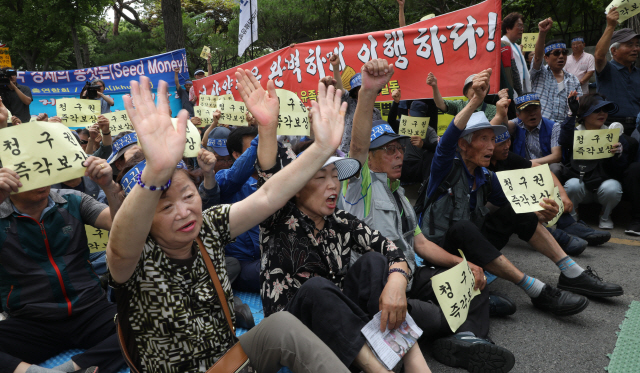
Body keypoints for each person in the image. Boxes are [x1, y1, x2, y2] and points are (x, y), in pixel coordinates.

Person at [106, 74, 352, 373]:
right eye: (166, 206)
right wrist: (155, 173)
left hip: (231, 361)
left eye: (187, 195)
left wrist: (321, 148)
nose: (184, 211)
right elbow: (119, 249)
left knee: (283, 326)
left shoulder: (208, 226)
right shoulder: (133, 258)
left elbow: (269, 196)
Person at [237, 65, 435, 373]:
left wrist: (397, 280)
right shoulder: (280, 217)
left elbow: (391, 251)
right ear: (297, 187)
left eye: (336, 176)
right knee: (317, 289)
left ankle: (416, 366)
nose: (333, 185)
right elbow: (268, 172)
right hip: (298, 332)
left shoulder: (341, 221)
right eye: (320, 177)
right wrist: (267, 129)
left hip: (342, 327)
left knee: (373, 264)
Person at [342, 59, 516, 373]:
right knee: (435, 315)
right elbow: (356, 144)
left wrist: (465, 265)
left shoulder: (398, 193)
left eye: (399, 148)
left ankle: (467, 340)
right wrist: (367, 93)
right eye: (387, 151)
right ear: (369, 158)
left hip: (411, 274)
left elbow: (420, 245)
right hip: (381, 285)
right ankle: (439, 327)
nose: (398, 156)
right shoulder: (359, 186)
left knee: (471, 282)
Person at [421, 69, 623, 316]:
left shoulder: (486, 176)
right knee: (463, 229)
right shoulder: (445, 166)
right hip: (440, 252)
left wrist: (541, 212)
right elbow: (447, 140)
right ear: (463, 145)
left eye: (492, 140)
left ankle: (572, 272)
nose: (490, 146)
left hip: (472, 246)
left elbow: (516, 203)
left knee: (519, 213)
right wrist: (476, 100)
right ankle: (536, 289)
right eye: (482, 139)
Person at [0, 157, 126, 373]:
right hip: (31, 322)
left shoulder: (73, 201)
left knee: (148, 321)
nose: (40, 179)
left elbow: (122, 225)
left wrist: (109, 186)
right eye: (28, 172)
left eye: (43, 168)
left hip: (91, 310)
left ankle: (76, 367)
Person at [490, 98, 612, 250]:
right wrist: (500, 113)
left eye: (508, 142)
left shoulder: (508, 154)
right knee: (519, 208)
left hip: (514, 195)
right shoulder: (482, 160)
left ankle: (569, 224)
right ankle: (554, 237)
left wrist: (563, 195)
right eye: (501, 144)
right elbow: (489, 129)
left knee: (542, 177)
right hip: (491, 207)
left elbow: (538, 167)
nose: (507, 146)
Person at [558, 94, 629, 229]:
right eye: (596, 110)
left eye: (605, 110)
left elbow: (621, 168)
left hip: (603, 187)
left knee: (613, 188)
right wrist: (571, 114)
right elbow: (564, 139)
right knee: (572, 185)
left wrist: (618, 155)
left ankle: (605, 215)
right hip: (581, 186)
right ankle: (573, 215)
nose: (602, 113)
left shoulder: (613, 134)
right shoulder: (575, 132)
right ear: (584, 114)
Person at [216, 126, 261, 292]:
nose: (262, 152)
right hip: (241, 265)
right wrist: (265, 131)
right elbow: (236, 175)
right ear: (236, 155)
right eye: (254, 148)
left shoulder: (272, 179)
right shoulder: (223, 179)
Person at [594, 7, 640, 135]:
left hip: (638, 127)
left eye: (637, 44)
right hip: (611, 127)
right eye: (629, 45)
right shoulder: (607, 69)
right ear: (614, 51)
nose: (635, 49)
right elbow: (598, 56)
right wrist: (610, 26)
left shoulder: (638, 73)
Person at [531, 18, 582, 123]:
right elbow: (537, 58)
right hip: (542, 127)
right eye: (556, 53)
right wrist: (542, 33)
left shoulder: (573, 79)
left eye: (564, 52)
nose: (561, 56)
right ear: (546, 57)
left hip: (564, 128)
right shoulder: (539, 73)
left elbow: (580, 105)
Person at [331, 58, 382, 153]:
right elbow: (340, 90)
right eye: (360, 89)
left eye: (367, 88)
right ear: (354, 93)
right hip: (349, 152)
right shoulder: (349, 104)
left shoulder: (376, 112)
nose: (365, 91)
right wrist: (335, 67)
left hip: (371, 153)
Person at [499, 92, 562, 164]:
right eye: (527, 110)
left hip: (547, 167)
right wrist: (503, 108)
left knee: (556, 168)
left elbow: (557, 156)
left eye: (535, 109)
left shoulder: (554, 127)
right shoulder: (517, 123)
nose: (532, 114)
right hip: (523, 170)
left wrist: (529, 163)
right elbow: (504, 127)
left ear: (541, 109)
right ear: (518, 115)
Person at [428, 72, 509, 121]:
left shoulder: (493, 109)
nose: (477, 91)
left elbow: (502, 126)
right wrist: (434, 86)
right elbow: (440, 104)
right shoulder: (459, 105)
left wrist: (503, 101)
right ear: (466, 93)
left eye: (480, 88)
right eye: (473, 88)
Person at [501, 13, 531, 94]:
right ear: (508, 28)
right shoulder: (502, 46)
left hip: (523, 89)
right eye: (519, 26)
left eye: (522, 26)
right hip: (510, 90)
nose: (522, 29)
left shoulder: (517, 46)